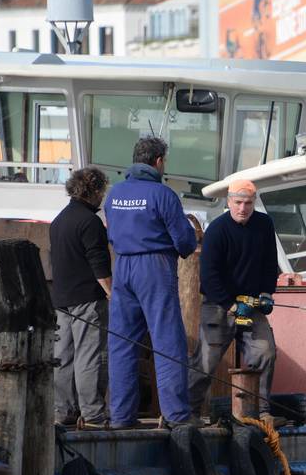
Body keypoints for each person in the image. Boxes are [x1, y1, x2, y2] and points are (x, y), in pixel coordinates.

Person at [104, 136, 198, 429]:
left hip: (123, 266)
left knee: (122, 342)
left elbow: (110, 232)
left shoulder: (114, 194)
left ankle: (120, 416)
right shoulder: (163, 195)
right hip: (154, 266)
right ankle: (176, 415)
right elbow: (184, 242)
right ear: (158, 161)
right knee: (167, 339)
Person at [187, 179, 281, 426]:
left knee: (266, 352)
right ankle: (188, 411)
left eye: (248, 203)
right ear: (228, 202)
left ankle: (261, 413)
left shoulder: (264, 225)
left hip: (252, 304)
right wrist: (230, 304)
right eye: (238, 203)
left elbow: (271, 263)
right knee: (206, 360)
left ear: (254, 203)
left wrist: (267, 293)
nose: (243, 208)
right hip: (218, 304)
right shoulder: (217, 230)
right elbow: (208, 275)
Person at [50, 167, 112, 429]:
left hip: (62, 299)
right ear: (94, 191)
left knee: (63, 358)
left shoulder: (59, 220)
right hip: (87, 299)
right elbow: (99, 266)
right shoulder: (90, 222)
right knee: (89, 357)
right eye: (102, 192)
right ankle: (93, 414)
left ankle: (63, 411)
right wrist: (112, 293)